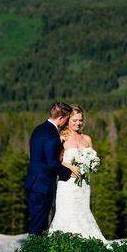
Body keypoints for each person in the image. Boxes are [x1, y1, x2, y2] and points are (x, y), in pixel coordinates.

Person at [48, 103, 106, 240]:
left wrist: (92, 163)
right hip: (68, 184)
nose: (78, 123)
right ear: (67, 120)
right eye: (75, 120)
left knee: (83, 213)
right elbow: (55, 161)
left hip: (84, 184)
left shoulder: (87, 139)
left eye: (80, 120)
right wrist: (70, 167)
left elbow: (93, 158)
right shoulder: (62, 138)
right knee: (68, 215)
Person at [24, 102, 74, 235]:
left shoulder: (39, 129)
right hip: (43, 186)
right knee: (38, 226)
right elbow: (52, 163)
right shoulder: (52, 134)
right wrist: (69, 172)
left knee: (35, 222)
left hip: (33, 182)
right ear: (61, 118)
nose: (66, 123)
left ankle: (33, 251)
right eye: (67, 119)